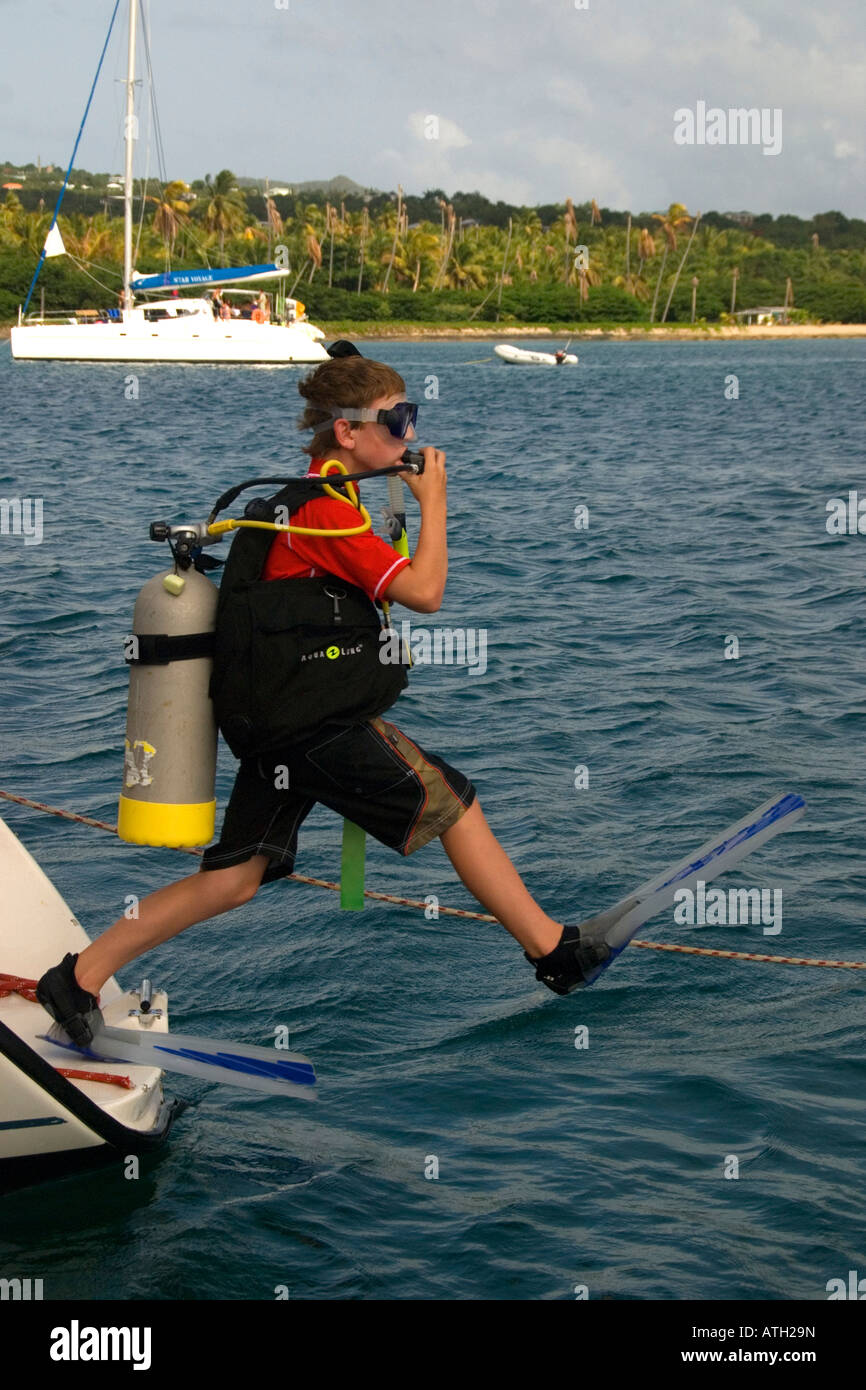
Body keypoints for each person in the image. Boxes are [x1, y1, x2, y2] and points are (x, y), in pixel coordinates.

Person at [36, 354, 633, 1047]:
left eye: (412, 420)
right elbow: (426, 593)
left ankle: (77, 977)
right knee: (451, 799)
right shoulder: (322, 514)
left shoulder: (313, 500)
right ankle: (552, 952)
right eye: (399, 421)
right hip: (308, 726)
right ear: (348, 433)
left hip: (273, 725)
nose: (410, 438)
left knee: (234, 879)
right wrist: (436, 503)